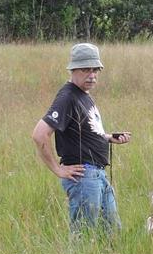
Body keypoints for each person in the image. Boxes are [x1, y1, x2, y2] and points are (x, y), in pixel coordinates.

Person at [31, 42, 131, 234]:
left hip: (98, 175)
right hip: (84, 177)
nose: (92, 75)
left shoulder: (83, 95)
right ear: (73, 69)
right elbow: (39, 134)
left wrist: (109, 138)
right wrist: (57, 169)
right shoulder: (67, 97)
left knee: (112, 232)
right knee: (84, 237)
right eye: (86, 70)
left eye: (95, 70)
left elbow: (84, 131)